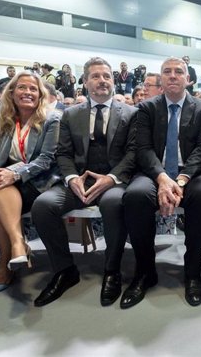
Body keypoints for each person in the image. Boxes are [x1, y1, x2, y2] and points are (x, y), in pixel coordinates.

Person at [31, 57, 138, 307]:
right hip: (79, 180)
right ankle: (65, 270)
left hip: (114, 181)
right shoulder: (70, 114)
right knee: (43, 205)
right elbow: (63, 153)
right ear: (86, 82)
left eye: (107, 76)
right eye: (96, 76)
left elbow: (134, 153)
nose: (103, 80)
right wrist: (70, 178)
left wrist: (112, 178)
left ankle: (112, 271)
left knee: (113, 205)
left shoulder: (132, 114)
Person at [122, 57, 201, 308]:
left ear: (188, 78)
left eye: (178, 72)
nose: (173, 75)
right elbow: (142, 149)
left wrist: (182, 179)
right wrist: (162, 178)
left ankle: (193, 272)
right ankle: (144, 271)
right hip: (155, 172)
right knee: (135, 196)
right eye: (167, 72)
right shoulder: (147, 108)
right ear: (160, 79)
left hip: (192, 173)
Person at [0, 72, 61, 297]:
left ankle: (5, 265)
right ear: (12, 94)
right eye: (22, 88)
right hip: (5, 183)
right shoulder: (2, 121)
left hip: (38, 180)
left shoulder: (52, 119)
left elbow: (46, 160)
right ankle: (17, 245)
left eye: (33, 89)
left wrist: (12, 173)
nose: (28, 92)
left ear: (41, 95)